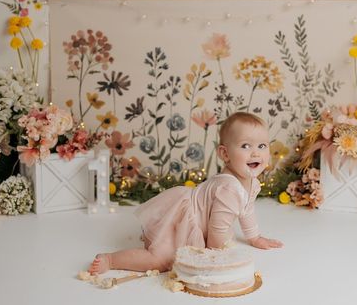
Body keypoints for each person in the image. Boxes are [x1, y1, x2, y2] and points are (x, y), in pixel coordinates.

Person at [89, 112, 283, 274]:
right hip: (177, 223)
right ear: (225, 154)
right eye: (245, 146)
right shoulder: (229, 188)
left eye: (262, 146)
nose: (256, 153)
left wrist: (255, 237)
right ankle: (110, 260)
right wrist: (216, 258)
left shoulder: (251, 183)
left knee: (165, 258)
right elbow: (217, 232)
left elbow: (246, 209)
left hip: (188, 222)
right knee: (159, 261)